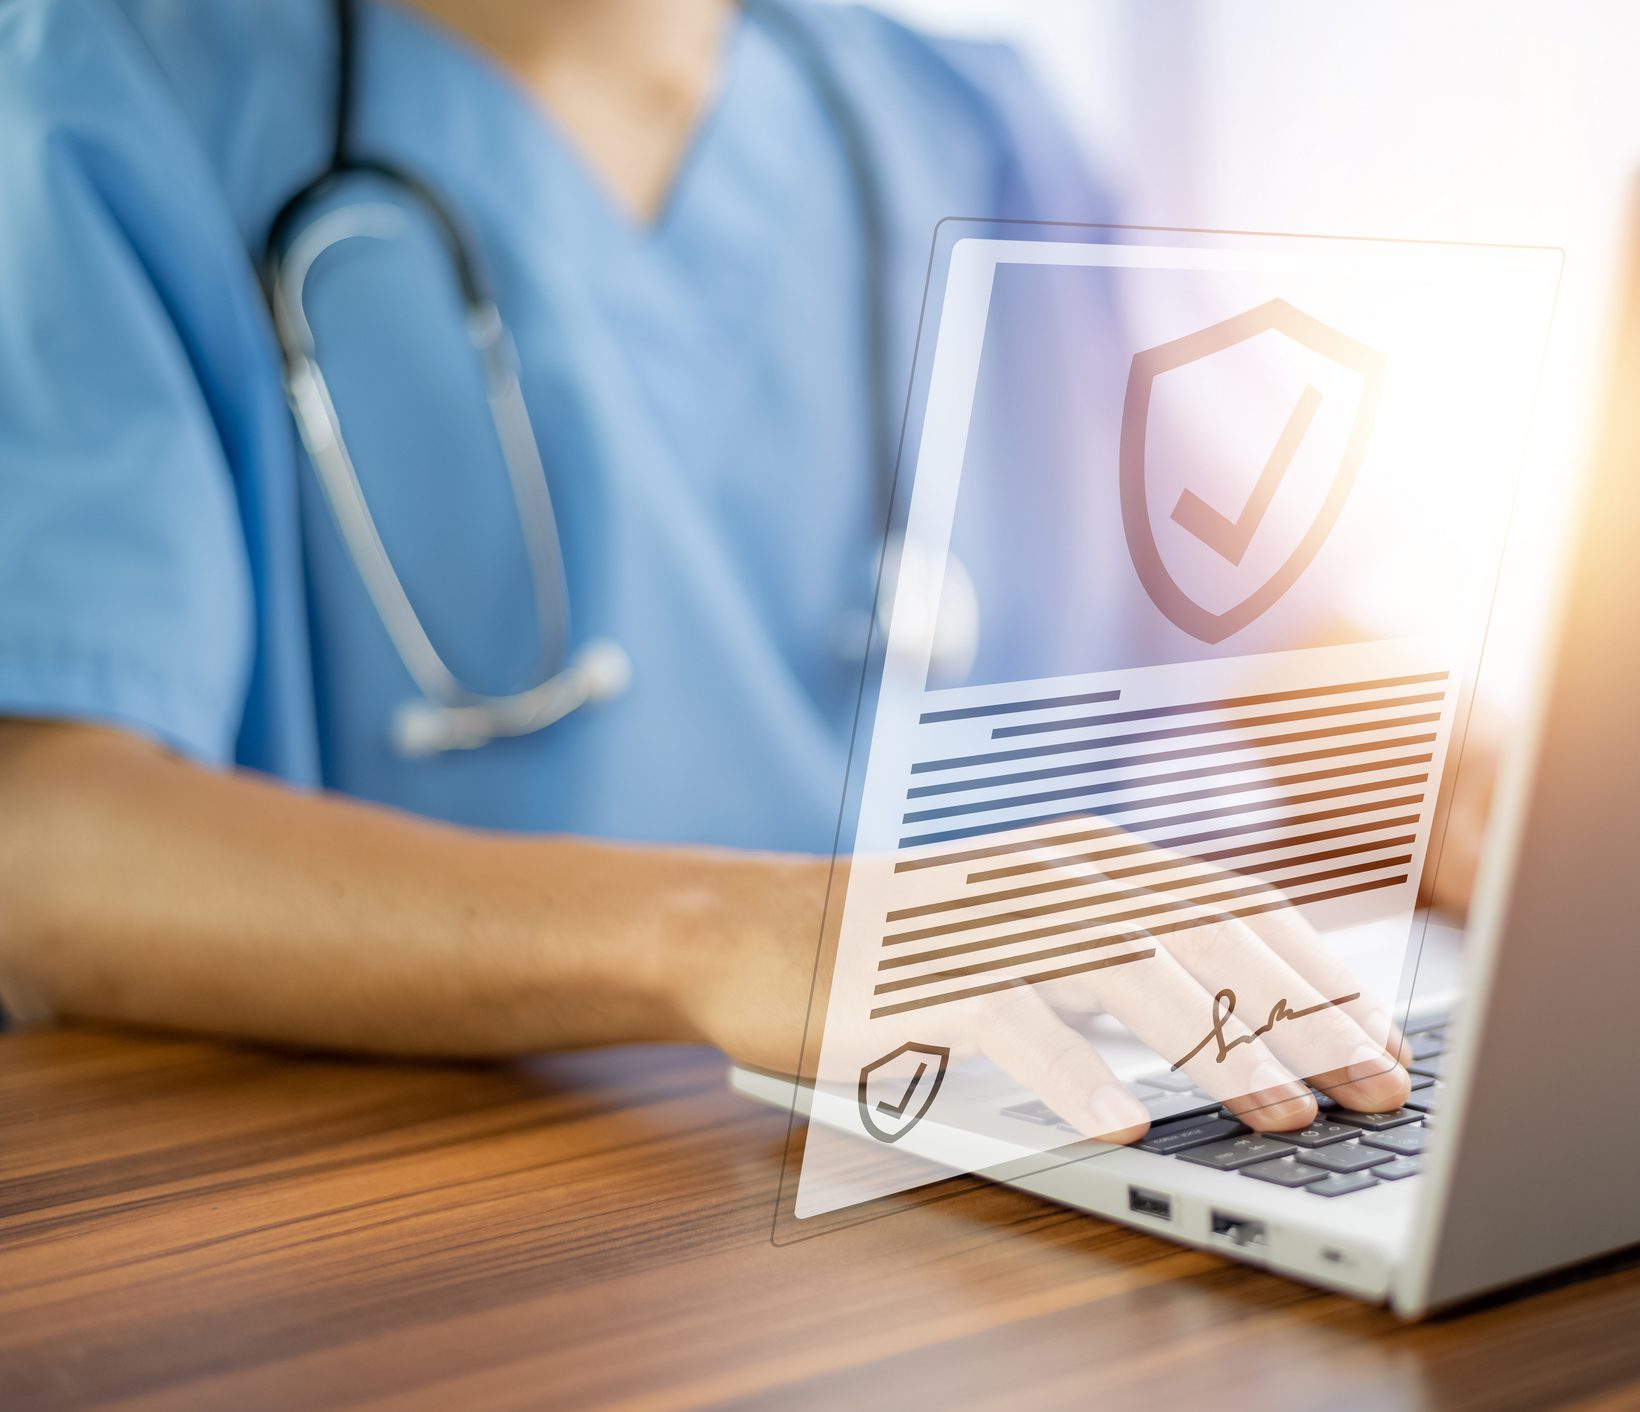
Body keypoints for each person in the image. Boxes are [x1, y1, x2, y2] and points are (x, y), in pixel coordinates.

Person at [0, 0, 1418, 1142]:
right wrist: (720, 934)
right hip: (479, 1210)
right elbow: (42, 847)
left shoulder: (966, 118)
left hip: (1069, 1137)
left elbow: (1286, 652)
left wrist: (1479, 789)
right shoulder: (91, 95)